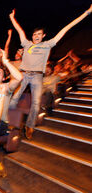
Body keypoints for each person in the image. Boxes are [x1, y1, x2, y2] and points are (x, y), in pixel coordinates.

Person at [8, 5, 92, 139]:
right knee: (14, 99)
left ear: (43, 36)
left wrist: (86, 13)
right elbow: (19, 30)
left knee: (36, 103)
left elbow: (66, 29)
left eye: (39, 34)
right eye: (35, 34)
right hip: (24, 74)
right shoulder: (27, 44)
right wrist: (12, 18)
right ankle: (10, 123)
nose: (36, 36)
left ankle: (29, 126)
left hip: (36, 77)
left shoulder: (47, 44)